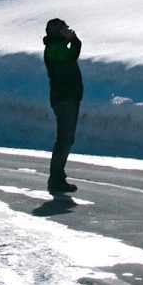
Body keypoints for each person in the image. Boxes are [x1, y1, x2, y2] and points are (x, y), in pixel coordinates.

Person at [43, 18, 83, 193]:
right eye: (64, 29)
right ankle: (56, 178)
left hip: (68, 97)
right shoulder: (54, 49)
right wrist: (73, 41)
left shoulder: (56, 47)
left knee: (67, 139)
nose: (68, 30)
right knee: (65, 139)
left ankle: (58, 177)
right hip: (64, 98)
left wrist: (72, 41)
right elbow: (71, 55)